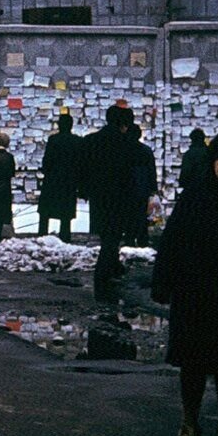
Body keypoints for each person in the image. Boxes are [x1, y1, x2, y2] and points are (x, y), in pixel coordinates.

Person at [151, 130, 218, 436]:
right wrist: (163, 282)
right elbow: (172, 241)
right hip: (196, 293)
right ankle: (189, 425)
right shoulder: (196, 195)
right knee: (193, 364)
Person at [78, 103, 141, 300]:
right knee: (114, 233)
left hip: (98, 195)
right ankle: (104, 272)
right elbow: (131, 173)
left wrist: (85, 190)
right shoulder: (127, 144)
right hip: (120, 195)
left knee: (106, 232)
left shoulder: (91, 141)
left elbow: (83, 167)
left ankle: (113, 267)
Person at [37, 114, 83, 242]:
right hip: (69, 181)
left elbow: (47, 160)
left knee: (45, 212)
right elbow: (79, 163)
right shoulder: (77, 141)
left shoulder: (53, 140)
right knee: (65, 214)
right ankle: (65, 238)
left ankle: (42, 237)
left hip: (52, 180)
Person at [129, 125, 158, 247]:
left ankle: (129, 239)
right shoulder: (146, 150)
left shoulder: (124, 151)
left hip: (128, 188)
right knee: (141, 215)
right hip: (142, 187)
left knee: (129, 215)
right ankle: (142, 240)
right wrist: (153, 188)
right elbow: (151, 170)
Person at [178, 128, 208, 193]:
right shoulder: (210, 153)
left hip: (192, 189)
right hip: (208, 188)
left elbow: (185, 172)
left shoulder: (189, 154)